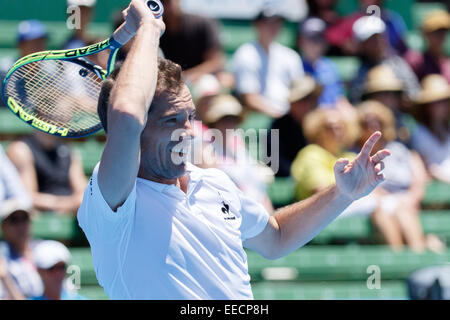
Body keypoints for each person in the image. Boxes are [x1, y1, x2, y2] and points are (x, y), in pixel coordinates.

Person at [77, 0, 390, 300]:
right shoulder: (113, 200)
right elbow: (128, 115)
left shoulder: (214, 182)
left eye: (191, 117)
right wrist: (147, 28)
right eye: (172, 120)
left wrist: (342, 194)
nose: (188, 131)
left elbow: (277, 236)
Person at [356, 100, 444, 253]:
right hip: (377, 201)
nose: (372, 126)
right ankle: (398, 259)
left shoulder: (399, 149)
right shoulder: (355, 153)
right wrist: (387, 198)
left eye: (377, 122)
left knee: (402, 210)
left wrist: (412, 197)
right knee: (384, 212)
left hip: (405, 201)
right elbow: (360, 184)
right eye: (366, 123)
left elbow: (418, 177)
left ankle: (418, 254)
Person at [200, 94, 274, 213]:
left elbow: (257, 186)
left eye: (232, 119)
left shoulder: (239, 144)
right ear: (214, 122)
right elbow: (214, 191)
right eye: (224, 119)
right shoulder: (206, 149)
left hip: (257, 209)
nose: (229, 124)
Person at [232, 8, 304, 118]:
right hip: (263, 117)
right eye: (268, 23)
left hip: (290, 116)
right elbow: (250, 98)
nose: (273, 28)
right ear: (257, 25)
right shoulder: (246, 54)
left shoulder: (290, 56)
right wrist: (280, 116)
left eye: (277, 23)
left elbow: (300, 91)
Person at [7, 131, 87, 215]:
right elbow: (27, 197)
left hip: (71, 214)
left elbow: (84, 194)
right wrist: (66, 204)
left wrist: (66, 205)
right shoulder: (21, 150)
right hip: (39, 216)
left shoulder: (69, 151)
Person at [349, 15, 420, 104]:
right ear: (362, 45)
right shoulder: (360, 72)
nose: (377, 42)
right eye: (371, 39)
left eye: (379, 37)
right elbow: (356, 100)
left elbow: (414, 93)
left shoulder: (398, 64)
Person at [158, 0, 226, 85]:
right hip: (168, 85)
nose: (166, 4)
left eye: (168, 1)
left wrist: (185, 76)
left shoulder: (202, 23)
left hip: (201, 80)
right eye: (162, 1)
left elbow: (216, 62)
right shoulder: (155, 30)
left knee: (208, 83)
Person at [269, 76, 321, 177]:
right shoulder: (278, 126)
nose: (308, 104)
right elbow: (275, 163)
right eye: (303, 99)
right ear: (292, 103)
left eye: (312, 98)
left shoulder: (322, 124)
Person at [325, 0, 409, 56]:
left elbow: (403, 47)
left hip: (390, 61)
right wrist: (345, 43)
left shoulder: (391, 20)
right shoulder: (352, 21)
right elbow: (330, 37)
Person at [297, 17, 346, 108]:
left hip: (331, 116)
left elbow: (339, 98)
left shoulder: (330, 67)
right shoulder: (295, 66)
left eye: (318, 38)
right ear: (301, 41)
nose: (314, 43)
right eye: (310, 38)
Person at [410, 74, 450, 184]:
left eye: (444, 101)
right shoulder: (418, 133)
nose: (443, 106)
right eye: (436, 102)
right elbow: (422, 168)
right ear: (427, 106)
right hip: (433, 185)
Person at [0, 20, 48, 107]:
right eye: (33, 43)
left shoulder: (51, 71)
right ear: (20, 45)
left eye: (41, 41)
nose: (39, 46)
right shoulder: (4, 70)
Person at [362, 64, 413, 145]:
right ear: (371, 97)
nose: (389, 98)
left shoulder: (403, 122)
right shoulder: (363, 123)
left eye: (394, 93)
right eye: (384, 93)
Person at [0, 203, 43, 299]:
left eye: (24, 219)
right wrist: (5, 278)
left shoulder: (43, 250)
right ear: (3, 227)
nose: (21, 226)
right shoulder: (2, 256)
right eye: (14, 220)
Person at [405, 10, 450, 83]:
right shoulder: (416, 60)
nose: (440, 36)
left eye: (443, 31)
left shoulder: (447, 65)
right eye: (436, 32)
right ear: (425, 34)